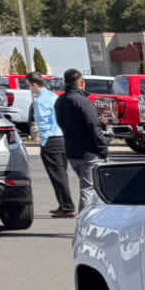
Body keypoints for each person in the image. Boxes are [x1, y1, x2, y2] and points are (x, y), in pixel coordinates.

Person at [54, 69, 108, 212]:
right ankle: (84, 222)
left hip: (72, 151)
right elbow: (93, 127)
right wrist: (103, 149)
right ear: (81, 83)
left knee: (92, 188)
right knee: (89, 189)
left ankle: (95, 218)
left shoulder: (60, 101)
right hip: (89, 152)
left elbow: (62, 123)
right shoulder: (83, 102)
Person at [27, 73, 75, 217]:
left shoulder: (40, 101)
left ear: (35, 85)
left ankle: (67, 207)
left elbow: (43, 123)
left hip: (51, 139)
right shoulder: (53, 96)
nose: (29, 88)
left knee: (57, 175)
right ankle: (63, 205)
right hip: (61, 138)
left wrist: (43, 140)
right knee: (61, 174)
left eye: (29, 85)